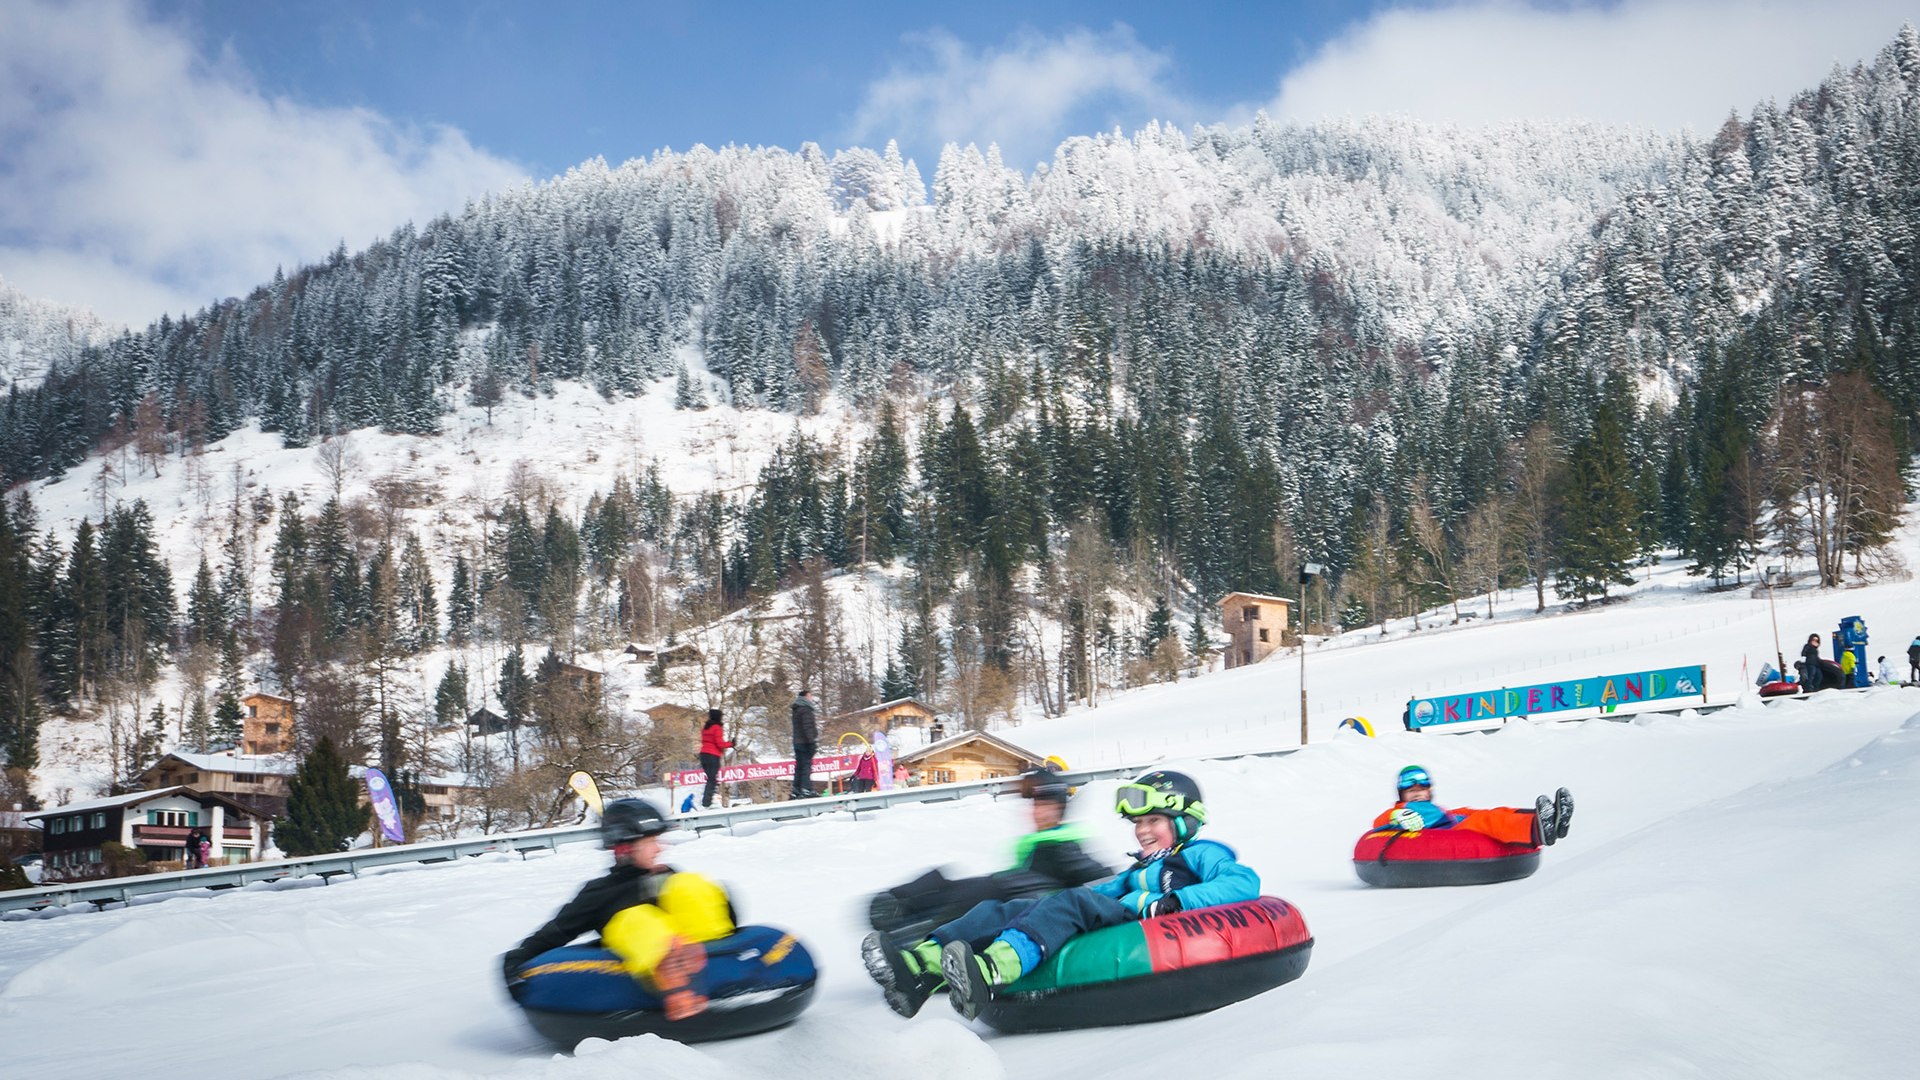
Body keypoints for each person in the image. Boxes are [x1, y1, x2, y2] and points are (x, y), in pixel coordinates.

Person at [864, 769, 1258, 1021]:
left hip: (1152, 924)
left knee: (1072, 902)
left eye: (1153, 821)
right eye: (1138, 823)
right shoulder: (1139, 868)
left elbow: (1243, 883)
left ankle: (993, 970)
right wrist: (1046, 902)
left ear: (1185, 820)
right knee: (1009, 906)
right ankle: (921, 967)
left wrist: (1176, 902)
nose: (1142, 831)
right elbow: (1104, 890)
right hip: (1117, 915)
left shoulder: (1201, 854)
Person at [501, 798, 735, 1021]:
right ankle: (675, 977)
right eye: (651, 842)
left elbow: (714, 913)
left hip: (700, 947)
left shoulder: (666, 875)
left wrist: (717, 896)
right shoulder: (600, 892)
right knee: (635, 918)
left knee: (688, 884)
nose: (660, 849)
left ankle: (716, 961)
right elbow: (555, 932)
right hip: (648, 960)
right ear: (624, 848)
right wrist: (515, 960)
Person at [866, 767, 1111, 935]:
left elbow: (1100, 877)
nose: (1037, 812)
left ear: (1060, 810)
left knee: (962, 902)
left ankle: (913, 934)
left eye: (1045, 806)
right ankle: (896, 905)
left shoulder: (1064, 846)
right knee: (947, 880)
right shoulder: (1037, 843)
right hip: (1000, 888)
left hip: (1011, 900)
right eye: (1035, 805)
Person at [1375, 765, 1572, 848]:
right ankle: (1537, 828)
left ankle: (1551, 819)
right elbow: (1380, 821)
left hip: (1449, 822)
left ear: (1429, 791)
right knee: (1486, 821)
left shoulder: (1435, 809)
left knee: (1494, 812)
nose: (1417, 793)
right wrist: (1396, 817)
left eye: (1422, 789)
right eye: (1411, 791)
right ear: (1401, 795)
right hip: (1444, 833)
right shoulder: (1400, 810)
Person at [698, 709, 732, 809]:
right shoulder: (717, 727)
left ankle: (708, 800)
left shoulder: (705, 728)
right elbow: (720, 744)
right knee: (712, 779)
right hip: (712, 755)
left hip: (703, 754)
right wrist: (731, 744)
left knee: (710, 779)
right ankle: (707, 802)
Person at [789, 689, 818, 799]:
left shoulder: (796, 710)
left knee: (799, 765)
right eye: (810, 696)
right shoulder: (806, 710)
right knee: (806, 765)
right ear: (805, 697)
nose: (811, 698)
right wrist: (811, 742)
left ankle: (796, 788)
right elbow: (807, 727)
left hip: (797, 742)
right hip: (805, 742)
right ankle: (806, 788)